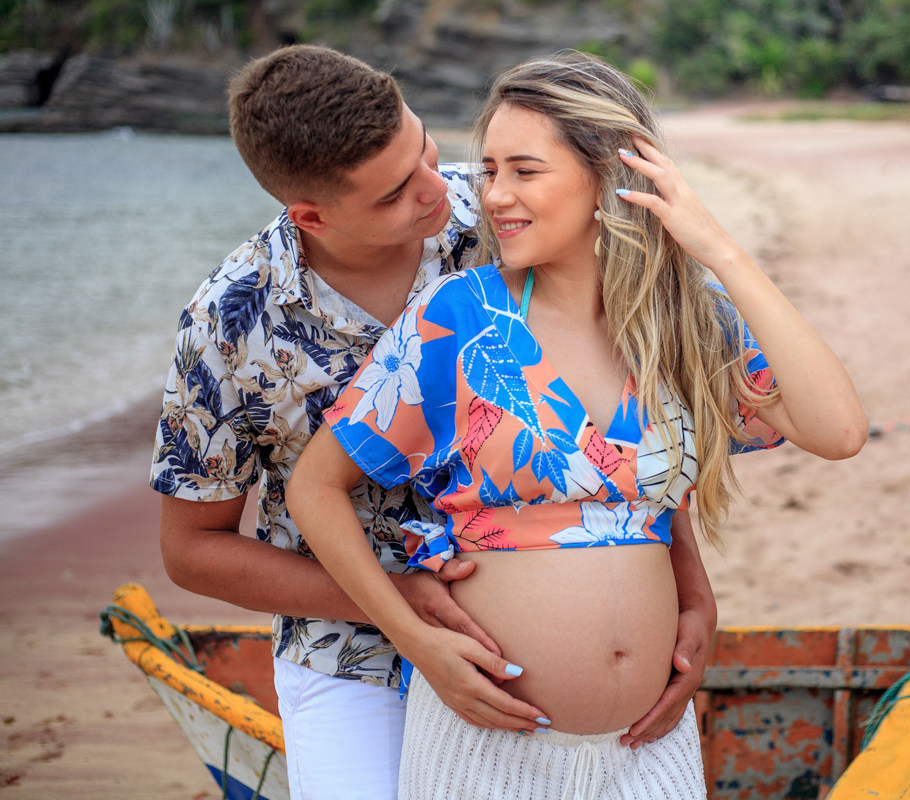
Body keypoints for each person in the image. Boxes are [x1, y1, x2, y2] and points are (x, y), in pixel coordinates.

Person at [287, 51, 868, 799]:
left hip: (646, 750)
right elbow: (315, 488)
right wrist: (416, 640)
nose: (494, 196)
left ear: (608, 174)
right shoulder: (458, 318)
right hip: (488, 743)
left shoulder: (684, 318)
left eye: (524, 171)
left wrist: (716, 248)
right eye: (491, 170)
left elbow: (839, 430)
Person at [150, 45, 717, 800]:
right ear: (312, 215)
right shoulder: (230, 322)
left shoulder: (499, 213)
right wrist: (397, 602)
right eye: (392, 194)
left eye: (425, 150)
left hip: (544, 636)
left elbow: (620, 410)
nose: (438, 194)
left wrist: (690, 587)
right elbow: (192, 551)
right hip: (348, 647)